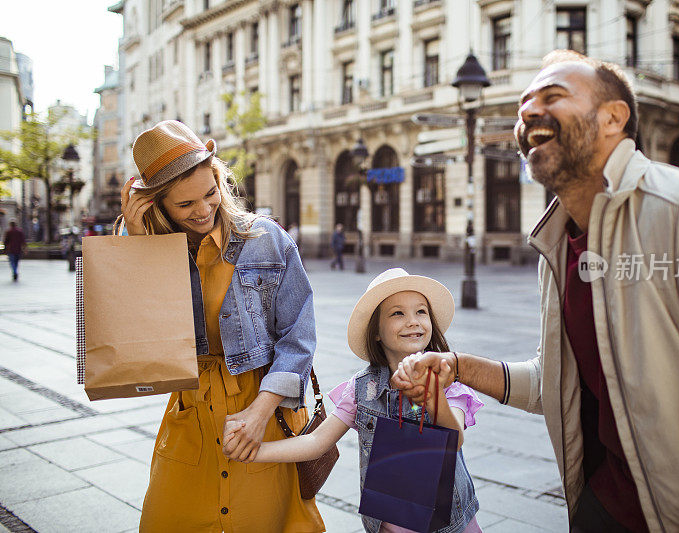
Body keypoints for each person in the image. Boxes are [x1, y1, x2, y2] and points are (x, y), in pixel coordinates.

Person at [393, 50, 679, 533]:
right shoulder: (558, 245)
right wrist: (459, 367)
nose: (527, 111)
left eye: (552, 95)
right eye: (524, 103)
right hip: (605, 505)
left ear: (613, 118)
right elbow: (557, 384)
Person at [116, 120, 324, 532]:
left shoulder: (267, 239)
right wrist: (138, 246)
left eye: (210, 193)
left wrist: (259, 414)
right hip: (190, 415)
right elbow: (139, 343)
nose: (203, 209)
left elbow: (298, 337)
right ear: (157, 205)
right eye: (184, 204)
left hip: (264, 408)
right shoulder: (153, 250)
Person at [224, 268, 484, 532]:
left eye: (421, 312)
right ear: (376, 332)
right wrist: (254, 451)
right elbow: (316, 442)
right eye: (398, 313)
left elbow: (455, 440)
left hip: (449, 525)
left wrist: (433, 394)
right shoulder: (363, 388)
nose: (413, 321)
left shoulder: (447, 379)